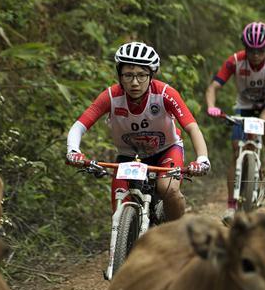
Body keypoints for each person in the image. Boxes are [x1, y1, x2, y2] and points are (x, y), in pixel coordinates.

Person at [65, 41, 210, 222]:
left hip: (166, 151)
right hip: (128, 157)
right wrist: (73, 150)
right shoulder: (111, 96)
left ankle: (177, 233)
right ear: (119, 75)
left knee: (169, 189)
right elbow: (79, 126)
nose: (135, 82)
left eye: (142, 75)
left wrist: (202, 158)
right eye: (128, 75)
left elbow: (191, 127)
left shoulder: (165, 94)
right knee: (118, 206)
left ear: (151, 75)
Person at [205, 22, 265, 219]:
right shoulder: (234, 61)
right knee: (235, 151)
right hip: (244, 106)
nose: (256, 55)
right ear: (244, 48)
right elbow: (213, 87)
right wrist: (211, 106)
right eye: (251, 50)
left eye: (260, 50)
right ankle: (231, 207)